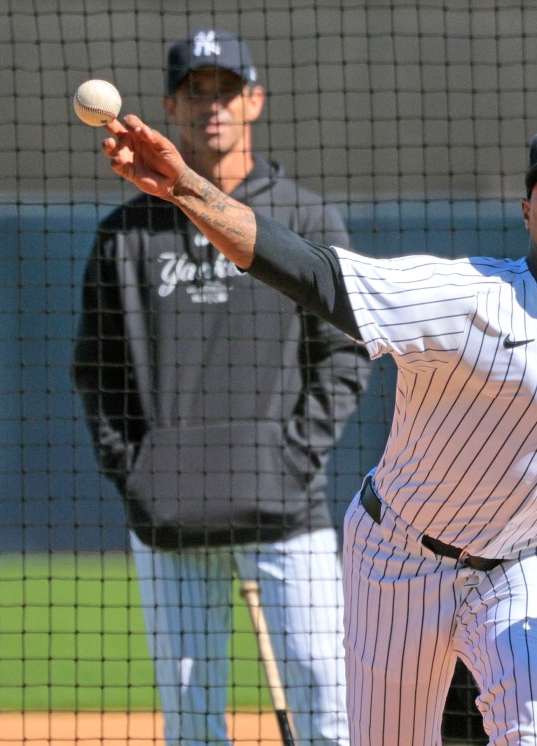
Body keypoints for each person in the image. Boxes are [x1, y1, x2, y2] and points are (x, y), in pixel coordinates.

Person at [97, 110, 537, 745]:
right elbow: (314, 273)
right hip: (400, 556)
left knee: (533, 730)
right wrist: (186, 187)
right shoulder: (466, 297)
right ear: (528, 209)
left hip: (529, 564)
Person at [73, 29, 369, 746]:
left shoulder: (302, 219)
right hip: (170, 518)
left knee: (331, 711)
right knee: (193, 725)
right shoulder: (127, 232)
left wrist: (293, 457)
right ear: (171, 107)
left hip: (287, 511)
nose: (213, 106)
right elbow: (98, 373)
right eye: (196, 92)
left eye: (227, 90)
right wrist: (141, 475)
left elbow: (345, 352)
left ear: (255, 101)